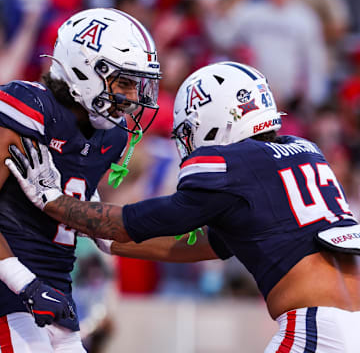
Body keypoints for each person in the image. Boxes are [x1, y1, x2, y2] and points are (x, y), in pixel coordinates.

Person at [6, 61, 360, 352]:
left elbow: (136, 221)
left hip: (317, 327)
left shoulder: (231, 166)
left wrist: (54, 201)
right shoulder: (303, 151)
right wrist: (106, 239)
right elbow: (207, 244)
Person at [0, 7, 161, 352]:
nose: (132, 99)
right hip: (10, 298)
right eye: (124, 82)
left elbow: (95, 225)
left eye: (137, 85)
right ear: (86, 68)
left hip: (55, 301)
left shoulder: (110, 137)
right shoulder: (29, 109)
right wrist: (24, 283)